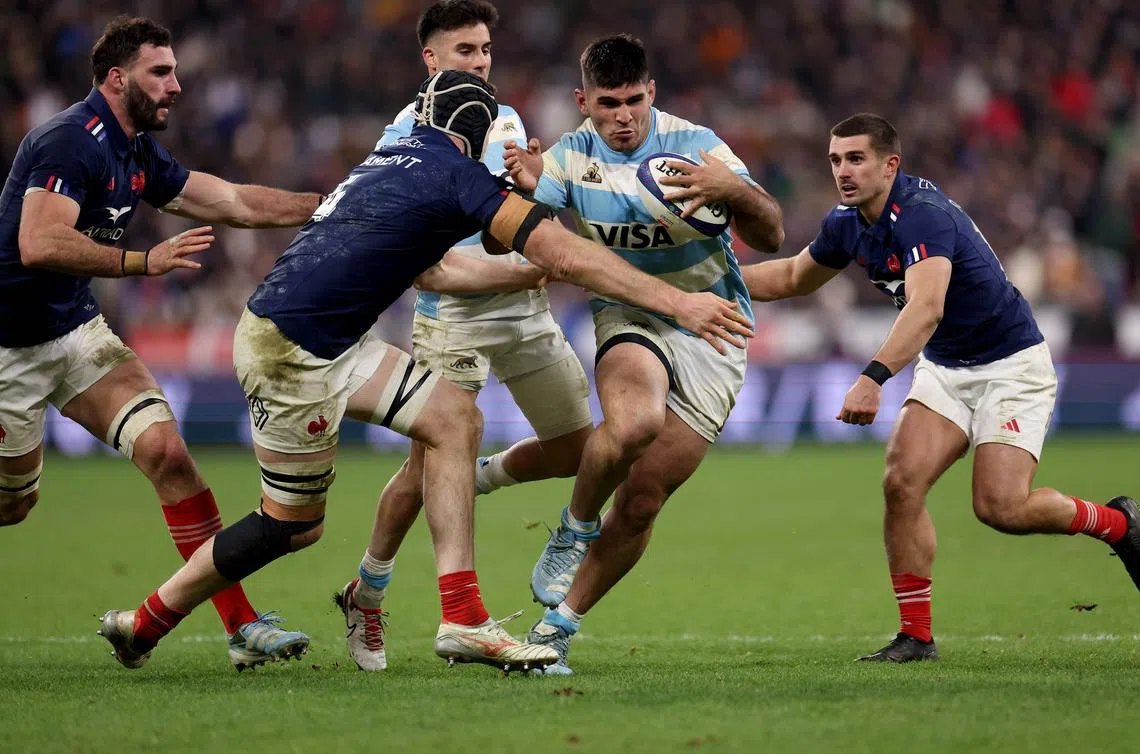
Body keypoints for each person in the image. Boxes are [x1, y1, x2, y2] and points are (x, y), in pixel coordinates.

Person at [97, 69, 753, 673]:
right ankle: (149, 618)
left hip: (305, 333)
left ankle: (462, 617)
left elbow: (436, 268)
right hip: (294, 353)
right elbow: (561, 252)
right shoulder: (459, 176)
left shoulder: (382, 161)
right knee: (290, 524)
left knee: (452, 419)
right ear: (475, 141)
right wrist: (674, 301)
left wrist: (534, 265)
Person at [740, 112, 1139, 662]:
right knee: (902, 482)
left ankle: (1118, 524)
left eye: (855, 158)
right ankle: (916, 636)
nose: (843, 171)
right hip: (948, 367)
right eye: (835, 160)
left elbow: (926, 308)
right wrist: (713, 283)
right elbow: (789, 278)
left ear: (890, 164)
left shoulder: (921, 216)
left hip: (1011, 365)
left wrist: (872, 377)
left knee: (1001, 508)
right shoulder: (847, 221)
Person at [0, 15, 319, 671]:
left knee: (169, 453)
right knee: (16, 506)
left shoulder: (137, 151)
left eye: (174, 71)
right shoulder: (69, 142)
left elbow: (230, 200)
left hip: (73, 333)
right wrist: (141, 263)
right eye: (161, 72)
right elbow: (38, 242)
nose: (176, 85)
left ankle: (242, 625)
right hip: (9, 350)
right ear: (117, 79)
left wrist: (328, 206)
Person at [503, 34, 785, 674]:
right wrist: (524, 190)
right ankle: (573, 529)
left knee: (643, 499)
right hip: (628, 314)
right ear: (584, 102)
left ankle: (557, 628)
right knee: (633, 423)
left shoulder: (698, 146)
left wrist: (734, 190)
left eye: (634, 100)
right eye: (608, 105)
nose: (623, 116)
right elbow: (514, 245)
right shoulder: (568, 160)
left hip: (715, 325)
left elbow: (772, 232)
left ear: (652, 92)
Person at [333, 0, 595, 672]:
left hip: (525, 306)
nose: (479, 62)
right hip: (454, 311)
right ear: (430, 60)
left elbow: (517, 206)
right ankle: (372, 591)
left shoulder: (504, 116)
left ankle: (477, 476)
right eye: (463, 52)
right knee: (425, 466)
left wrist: (541, 184)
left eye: (484, 50)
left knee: (579, 449)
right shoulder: (405, 132)